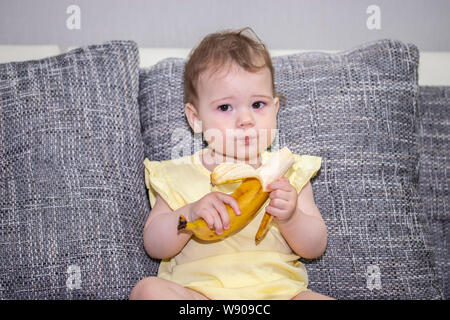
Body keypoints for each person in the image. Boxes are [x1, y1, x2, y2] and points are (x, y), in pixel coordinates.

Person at [130, 27, 333, 300]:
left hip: (278, 293)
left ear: (275, 109)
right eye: (226, 107)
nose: (245, 120)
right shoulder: (177, 175)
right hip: (200, 295)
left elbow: (315, 246)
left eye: (258, 104)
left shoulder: (292, 173)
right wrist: (188, 215)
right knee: (148, 291)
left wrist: (292, 217)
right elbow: (154, 244)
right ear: (196, 119)